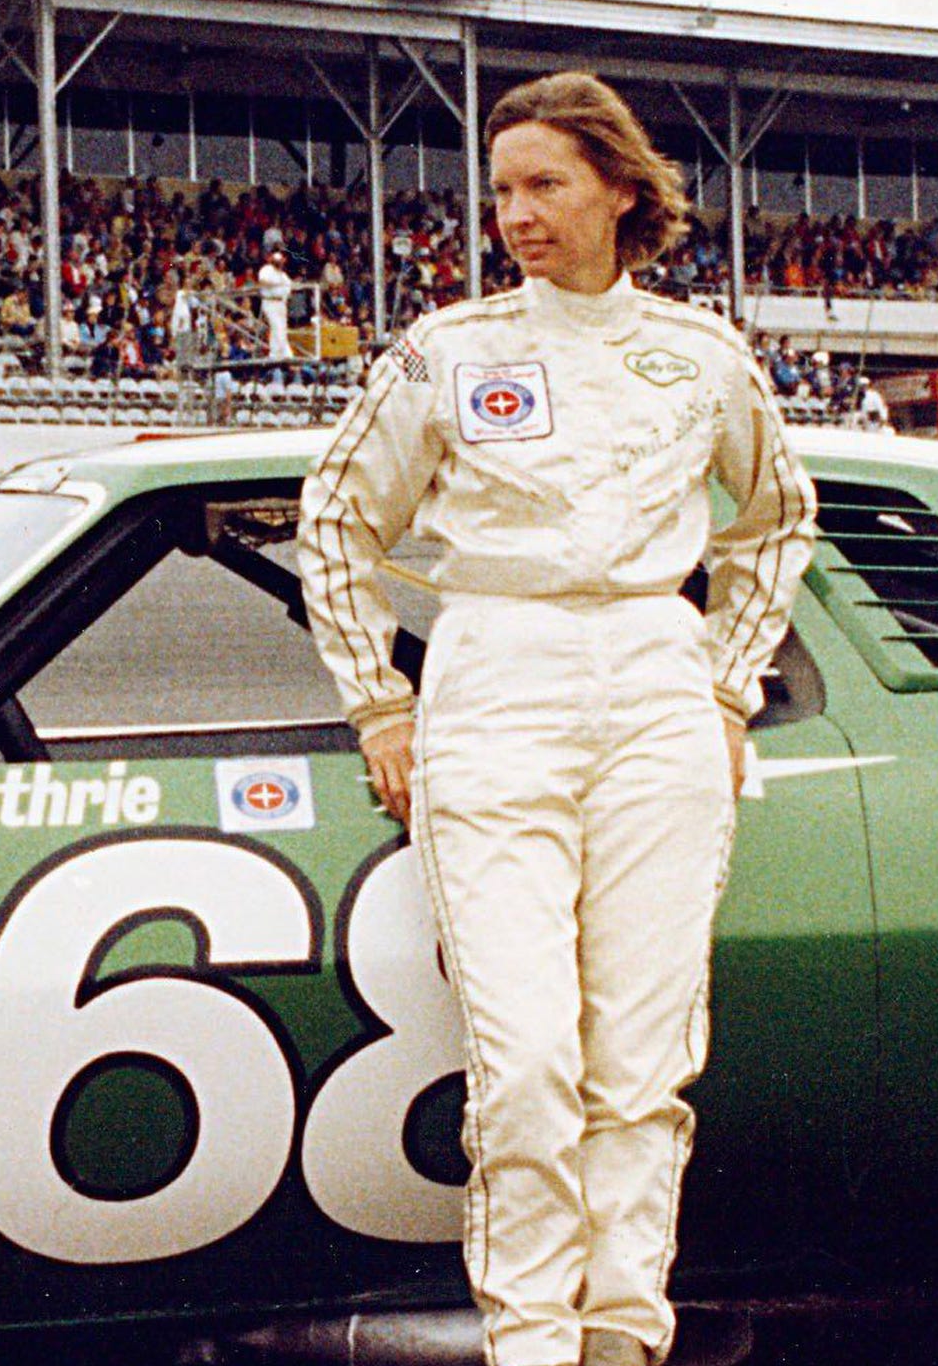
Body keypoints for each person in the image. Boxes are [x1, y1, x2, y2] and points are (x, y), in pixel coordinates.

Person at [294, 70, 817, 1366]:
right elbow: (334, 519)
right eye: (502, 190)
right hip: (494, 685)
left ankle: (625, 1343)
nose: (515, 213)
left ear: (620, 190)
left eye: (544, 184)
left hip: (656, 682)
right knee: (524, 1064)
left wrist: (726, 685)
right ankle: (531, 1345)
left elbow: (778, 517)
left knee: (642, 1072)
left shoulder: (701, 356)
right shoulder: (449, 351)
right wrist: (381, 707)